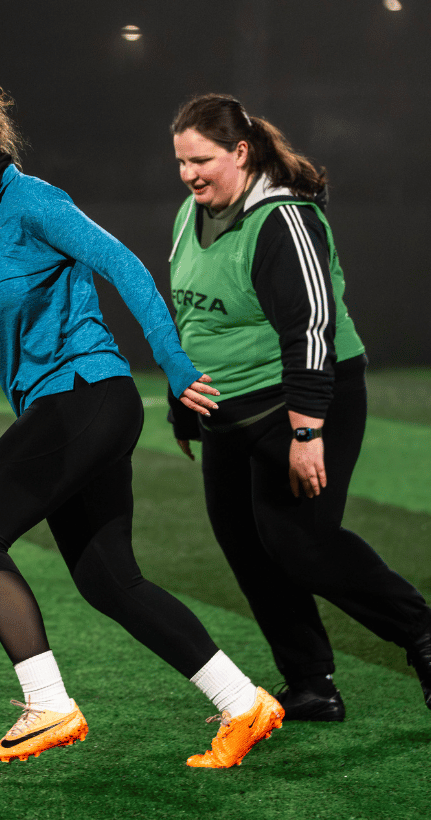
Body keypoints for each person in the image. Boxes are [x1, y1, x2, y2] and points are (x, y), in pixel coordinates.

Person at [0, 51, 283, 769]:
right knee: (110, 580)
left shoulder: (33, 200)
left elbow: (126, 269)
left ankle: (48, 706)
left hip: (86, 401)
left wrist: (173, 366)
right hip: (67, 408)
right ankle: (244, 703)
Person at [167, 93, 431, 722]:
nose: (189, 175)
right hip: (228, 409)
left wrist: (308, 430)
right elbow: (189, 313)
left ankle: (421, 633)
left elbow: (312, 324)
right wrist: (185, 402)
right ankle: (311, 682)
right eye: (180, 162)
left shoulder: (283, 220)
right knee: (244, 543)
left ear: (241, 151)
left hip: (306, 398)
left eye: (201, 160)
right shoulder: (190, 212)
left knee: (299, 543)